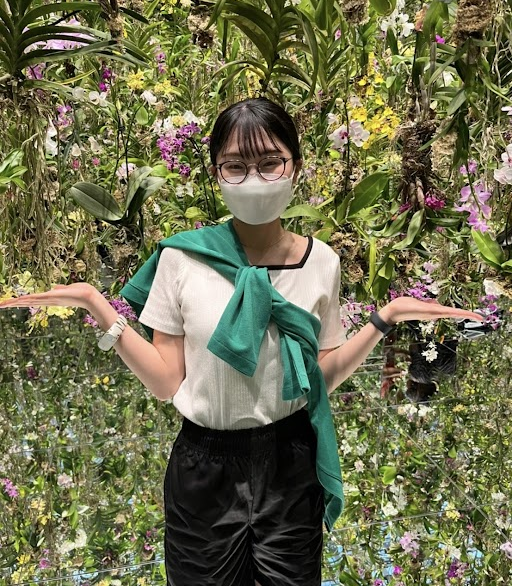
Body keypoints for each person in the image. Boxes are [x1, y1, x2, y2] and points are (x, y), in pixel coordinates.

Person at [0, 98, 483, 586]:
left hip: (290, 461)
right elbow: (166, 382)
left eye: (270, 162)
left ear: (296, 166)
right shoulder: (182, 260)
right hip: (204, 465)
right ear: (217, 174)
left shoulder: (322, 263)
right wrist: (95, 303)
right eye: (235, 165)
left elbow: (318, 378)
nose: (254, 179)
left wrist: (386, 317)